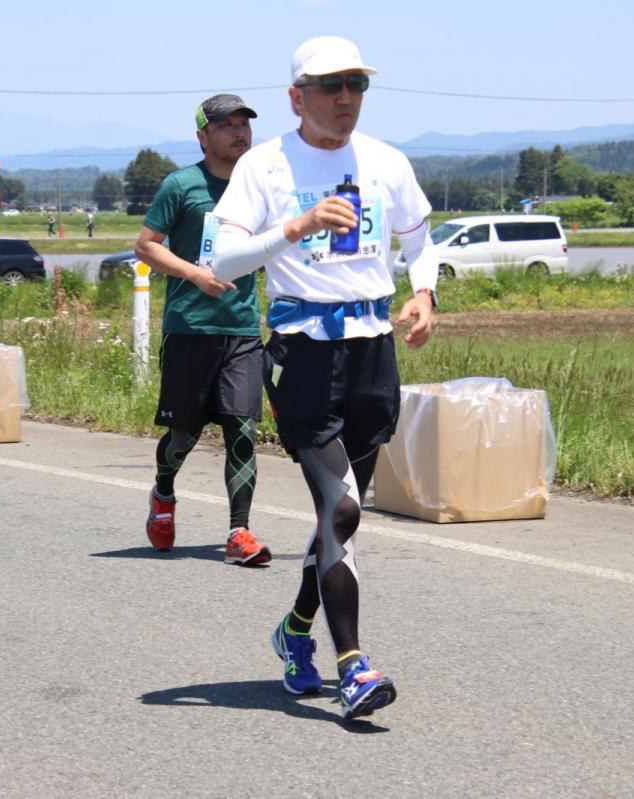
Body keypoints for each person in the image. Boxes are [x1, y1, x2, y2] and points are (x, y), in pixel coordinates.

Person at [210, 37, 438, 721]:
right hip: (302, 354)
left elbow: (419, 240)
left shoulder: (387, 161)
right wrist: (297, 225)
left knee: (344, 516)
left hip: (372, 352)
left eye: (356, 85)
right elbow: (224, 261)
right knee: (340, 509)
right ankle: (354, 666)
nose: (345, 98)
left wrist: (425, 294)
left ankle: (295, 630)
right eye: (330, 85)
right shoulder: (264, 165)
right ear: (297, 97)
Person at [134, 94, 270, 566]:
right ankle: (163, 494)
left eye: (243, 124)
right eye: (227, 125)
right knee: (184, 437)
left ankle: (238, 532)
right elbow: (146, 246)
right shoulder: (182, 185)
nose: (239, 132)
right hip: (190, 328)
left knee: (242, 429)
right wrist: (194, 274)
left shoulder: (260, 188)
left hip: (242, 329)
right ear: (203, 136)